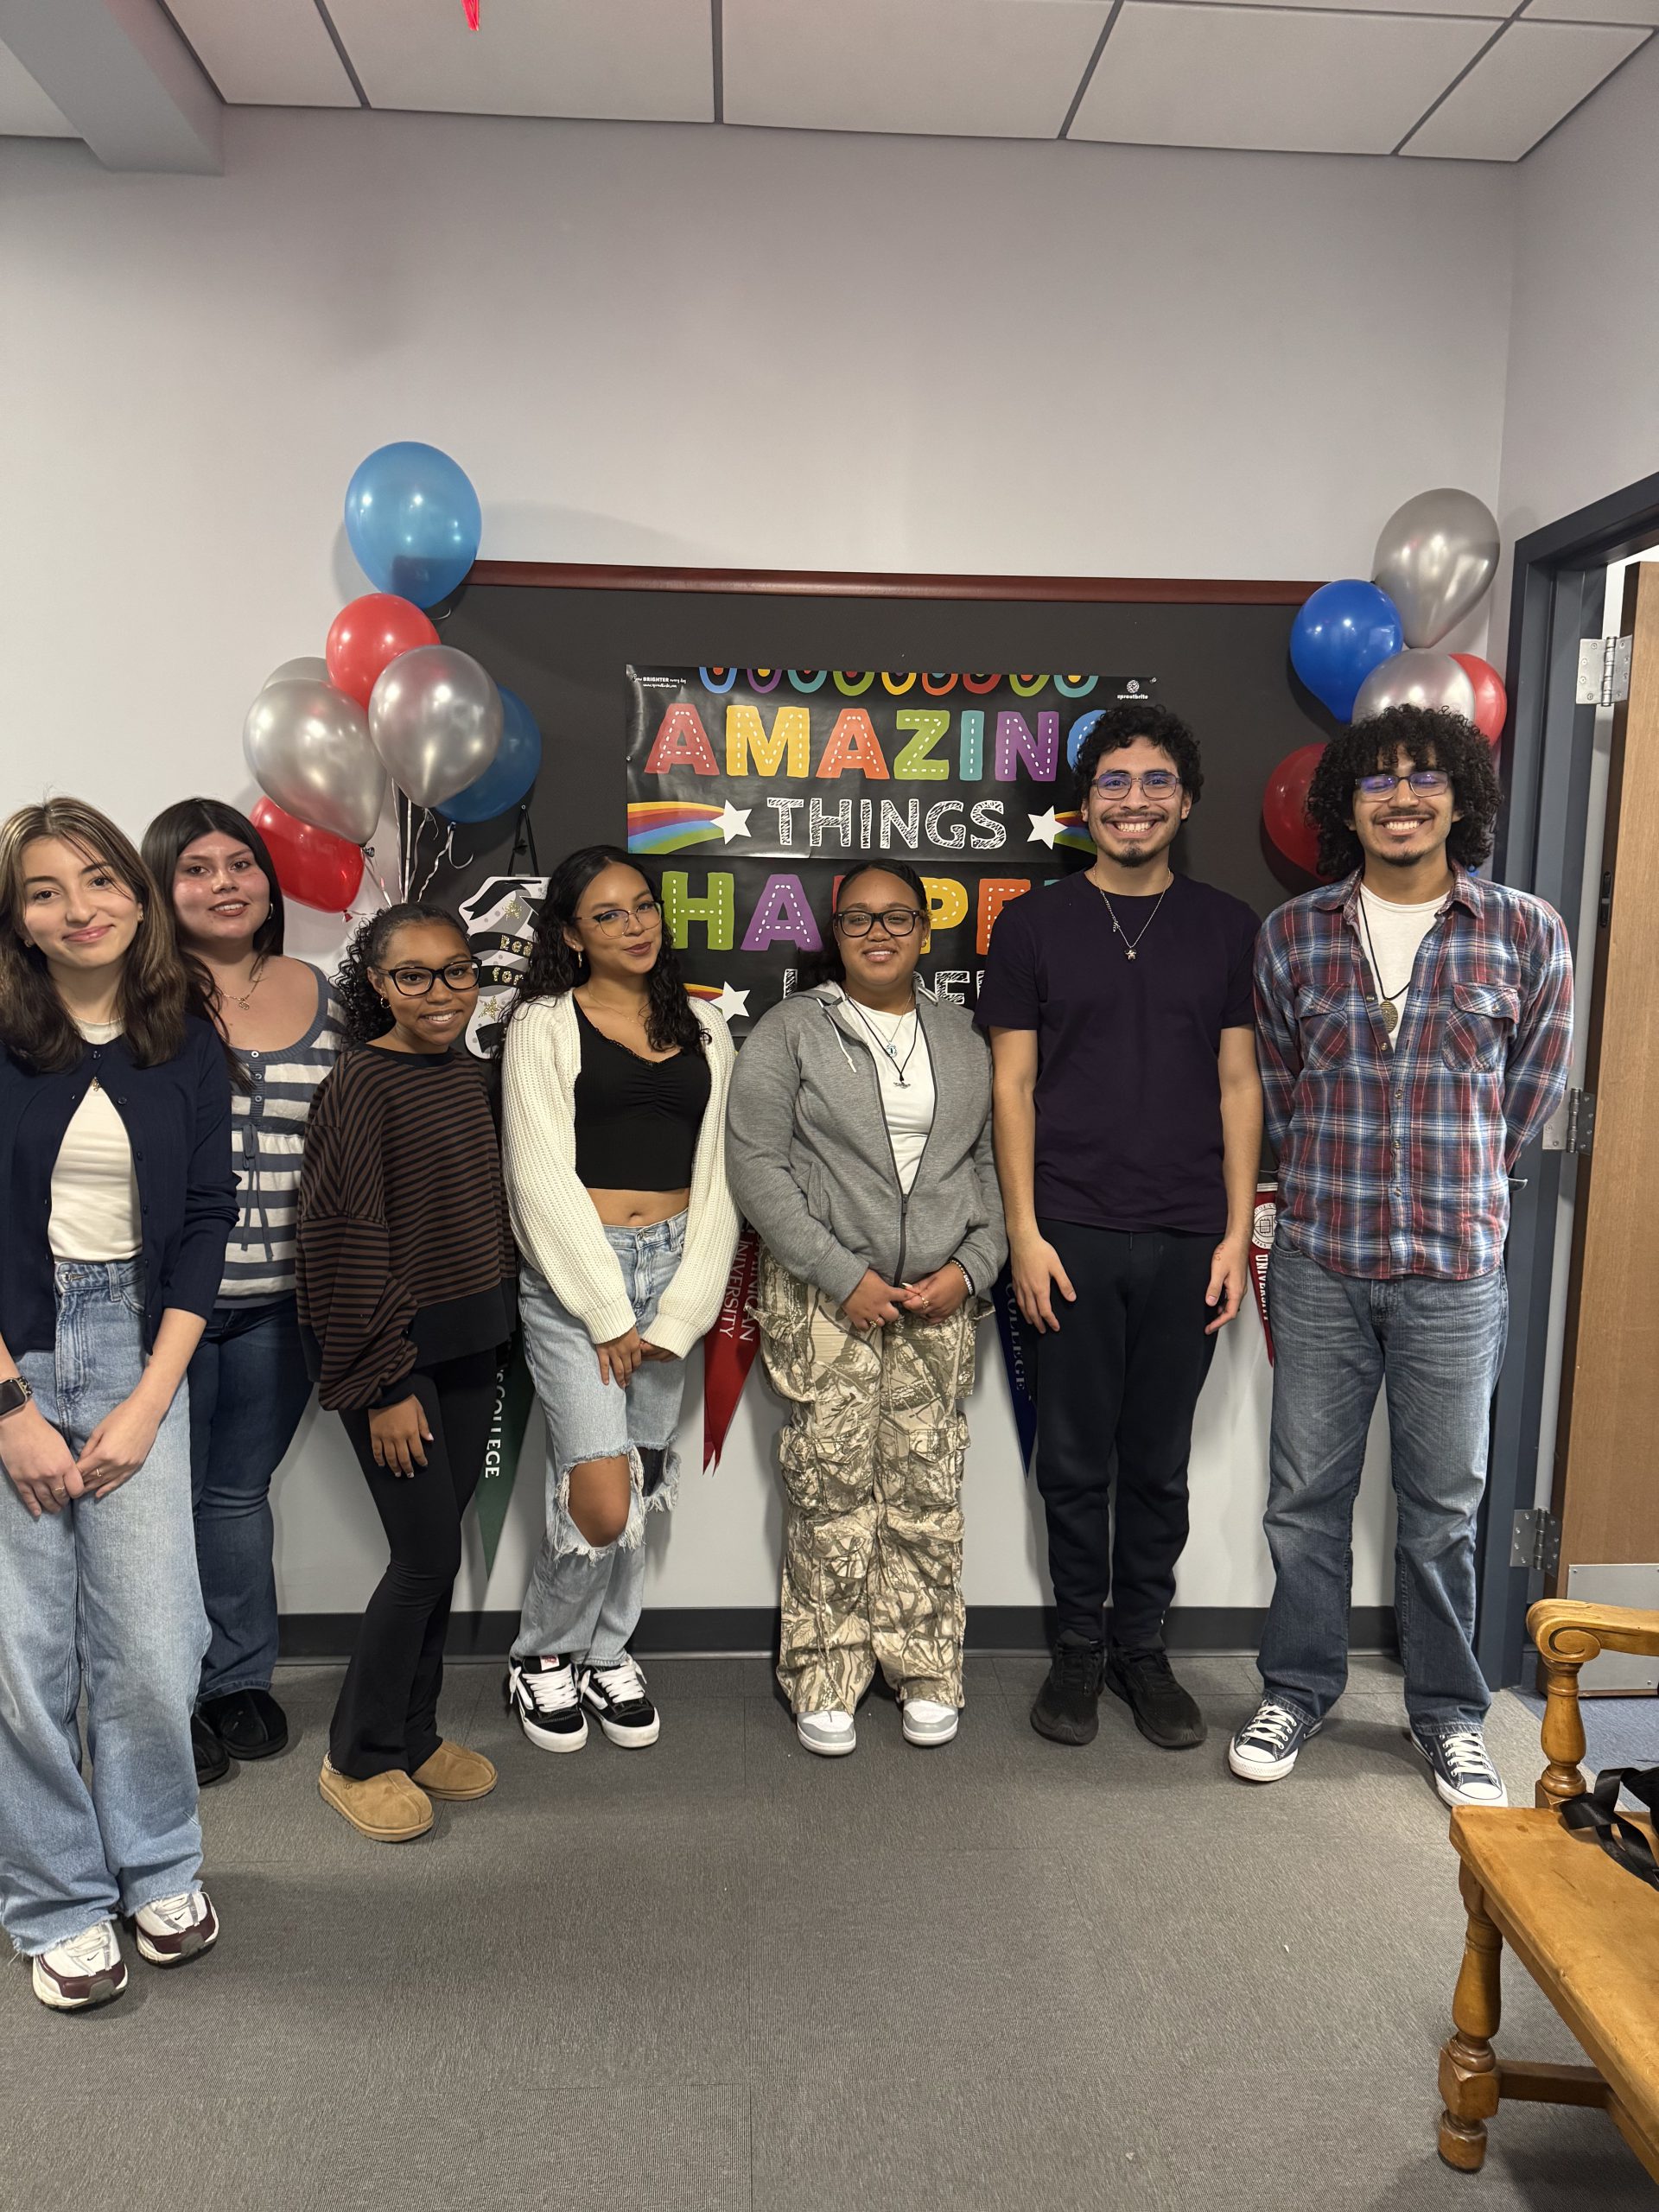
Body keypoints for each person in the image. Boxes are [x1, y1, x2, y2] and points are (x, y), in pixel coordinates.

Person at [1234, 704, 1573, 1806]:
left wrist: (1456, 1181)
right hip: (1324, 1260)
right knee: (1304, 1498)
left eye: (1426, 775)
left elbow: (1524, 1103)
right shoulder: (1294, 935)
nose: (1403, 795)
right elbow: (1284, 1090)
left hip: (1454, 1270)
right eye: (1378, 780)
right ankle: (1298, 1686)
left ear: (1461, 794)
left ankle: (1447, 1712)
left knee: (1443, 1508)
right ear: (1348, 804)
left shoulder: (1526, 933)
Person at [978, 703, 1262, 1752]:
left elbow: (1241, 1084)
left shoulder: (1229, 924)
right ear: (1083, 801)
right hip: (1072, 1231)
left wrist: (1236, 1235)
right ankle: (1078, 1652)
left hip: (1191, 1231)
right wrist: (1024, 1229)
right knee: (1073, 1459)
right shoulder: (1034, 924)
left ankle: (1143, 1647)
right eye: (1112, 781)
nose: (1132, 800)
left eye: (1153, 782)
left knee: (1158, 1460)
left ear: (1183, 801)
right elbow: (1013, 1085)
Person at [0, 798, 233, 2012]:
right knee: (22, 1658)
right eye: (45, 890)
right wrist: (8, 1407)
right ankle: (54, 1898)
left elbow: (204, 1222)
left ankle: (155, 1862)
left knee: (149, 1647)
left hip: (140, 1352)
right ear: (20, 921)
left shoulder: (180, 1031)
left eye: (97, 879)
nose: (78, 907)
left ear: (136, 898)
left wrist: (150, 1399)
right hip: (12, 1359)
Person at [728, 860, 1005, 1756]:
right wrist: (839, 1271)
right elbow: (756, 1167)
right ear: (833, 934)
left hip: (938, 1306)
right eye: (858, 919)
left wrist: (974, 1265)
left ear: (926, 930)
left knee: (928, 1491)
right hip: (827, 1303)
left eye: (897, 917)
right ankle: (826, 1671)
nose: (879, 932)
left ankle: (925, 1665)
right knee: (831, 1494)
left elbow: (992, 1173)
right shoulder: (791, 1032)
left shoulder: (963, 1037)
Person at [499, 847, 738, 1755]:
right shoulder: (543, 1024)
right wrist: (609, 1310)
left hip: (675, 1268)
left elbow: (723, 1180)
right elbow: (537, 1177)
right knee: (600, 1493)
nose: (635, 924)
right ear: (570, 934)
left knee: (642, 1474)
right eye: (608, 915)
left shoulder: (710, 1027)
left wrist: (678, 1312)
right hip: (577, 1277)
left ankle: (607, 1650)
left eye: (643, 906)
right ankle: (542, 1652)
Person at [296, 902, 516, 1843]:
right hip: (393, 1354)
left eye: (457, 971)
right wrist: (384, 1382)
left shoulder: (474, 1077)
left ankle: (416, 1732)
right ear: (377, 984)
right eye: (415, 975)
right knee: (424, 1554)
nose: (441, 992)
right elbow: (343, 1241)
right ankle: (357, 1753)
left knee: (442, 1553)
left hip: (473, 1344)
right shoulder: (359, 1082)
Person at [143, 798, 343, 1788]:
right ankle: (161, 1695)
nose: (224, 882)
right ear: (161, 887)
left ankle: (236, 1680)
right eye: (196, 868)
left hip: (284, 1302)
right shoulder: (133, 998)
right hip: (156, 1309)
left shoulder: (328, 992)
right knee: (154, 1504)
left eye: (241, 864)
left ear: (270, 882)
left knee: (232, 1497)